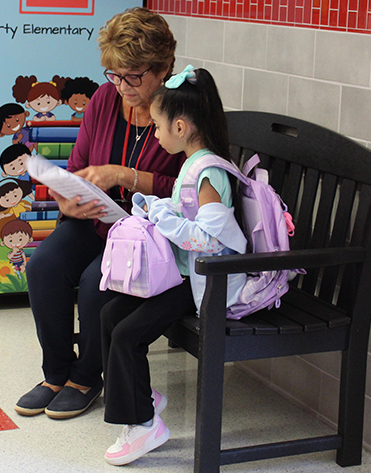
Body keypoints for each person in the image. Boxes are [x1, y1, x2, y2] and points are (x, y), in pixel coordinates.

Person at [15, 7, 184, 420]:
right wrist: (67, 198)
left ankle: (87, 377)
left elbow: (186, 190)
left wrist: (125, 176)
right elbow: (78, 165)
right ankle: (56, 372)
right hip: (98, 218)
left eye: (134, 75)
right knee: (45, 267)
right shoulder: (106, 99)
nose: (122, 85)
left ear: (163, 68)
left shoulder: (182, 111)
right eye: (115, 73)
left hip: (149, 235)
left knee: (96, 282)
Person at [100, 66, 247, 466]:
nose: (157, 134)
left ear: (180, 127)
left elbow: (212, 240)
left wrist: (163, 217)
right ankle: (141, 400)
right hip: (184, 275)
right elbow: (190, 219)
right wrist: (159, 207)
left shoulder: (207, 172)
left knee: (128, 333)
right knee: (111, 314)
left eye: (160, 127)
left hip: (204, 284)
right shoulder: (192, 164)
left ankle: (144, 424)